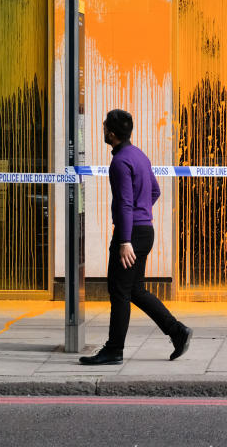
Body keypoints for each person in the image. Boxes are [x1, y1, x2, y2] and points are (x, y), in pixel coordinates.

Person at [80, 109, 192, 365]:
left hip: (130, 234)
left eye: (104, 126)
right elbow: (154, 191)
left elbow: (124, 204)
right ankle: (177, 332)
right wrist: (142, 216)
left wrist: (124, 240)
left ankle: (114, 350)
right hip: (144, 230)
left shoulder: (119, 162)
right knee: (135, 290)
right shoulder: (139, 155)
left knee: (119, 291)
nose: (103, 130)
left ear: (111, 133)